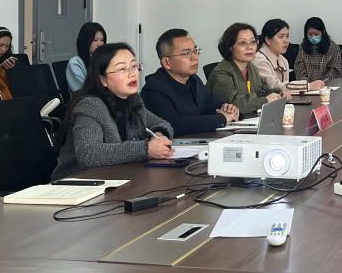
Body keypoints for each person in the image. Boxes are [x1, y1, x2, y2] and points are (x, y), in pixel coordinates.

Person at [52, 43, 174, 180]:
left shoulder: (133, 100)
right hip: (79, 182)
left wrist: (158, 136)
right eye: (122, 69)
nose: (132, 74)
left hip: (118, 176)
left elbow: (162, 124)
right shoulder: (90, 105)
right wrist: (146, 149)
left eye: (134, 66)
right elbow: (88, 153)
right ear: (103, 79)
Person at [141, 29, 240, 136]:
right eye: (186, 54)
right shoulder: (154, 89)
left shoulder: (194, 80)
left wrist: (228, 108)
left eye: (195, 51)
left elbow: (211, 104)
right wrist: (221, 118)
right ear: (166, 62)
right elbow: (174, 124)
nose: (194, 57)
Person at [207, 23, 289, 115]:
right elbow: (233, 104)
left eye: (253, 42)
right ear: (230, 47)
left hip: (250, 119)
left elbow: (262, 91)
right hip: (227, 122)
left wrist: (279, 93)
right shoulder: (220, 73)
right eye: (243, 43)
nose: (250, 47)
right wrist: (265, 100)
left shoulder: (251, 67)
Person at [252, 19, 314, 93]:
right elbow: (273, 86)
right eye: (281, 37)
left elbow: (285, 91)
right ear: (268, 40)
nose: (286, 41)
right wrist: (308, 86)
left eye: (287, 36)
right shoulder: (258, 60)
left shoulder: (283, 60)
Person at [294, 17, 342, 83]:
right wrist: (307, 84)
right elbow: (299, 68)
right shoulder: (302, 47)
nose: (313, 37)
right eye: (310, 34)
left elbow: (335, 70)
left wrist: (322, 83)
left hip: (327, 85)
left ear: (323, 32)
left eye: (316, 34)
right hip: (307, 85)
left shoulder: (333, 48)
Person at [66, 22, 107, 92]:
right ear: (85, 41)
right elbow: (83, 90)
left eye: (102, 40)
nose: (99, 44)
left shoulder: (104, 59)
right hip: (86, 98)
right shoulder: (75, 63)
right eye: (95, 40)